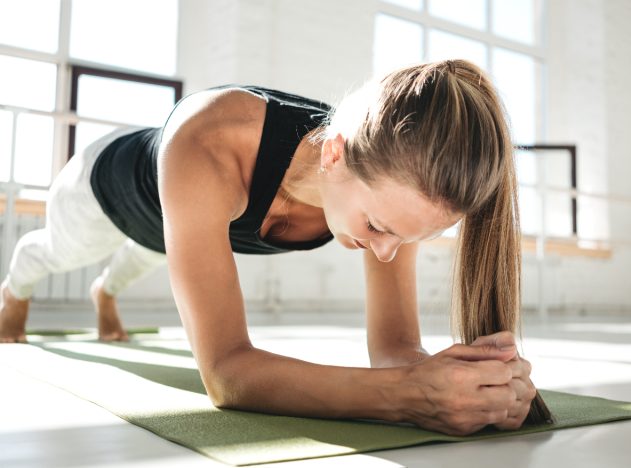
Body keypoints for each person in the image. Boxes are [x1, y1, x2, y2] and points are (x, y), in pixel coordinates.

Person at [0, 59, 548, 435]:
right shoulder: (210, 143)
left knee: (142, 260)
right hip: (103, 185)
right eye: (379, 228)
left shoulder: (398, 182)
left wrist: (460, 381)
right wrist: (405, 396)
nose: (386, 253)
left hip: (172, 221)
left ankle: (105, 294)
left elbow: (394, 352)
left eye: (410, 238)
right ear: (334, 156)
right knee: (56, 253)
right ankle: (12, 291)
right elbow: (227, 374)